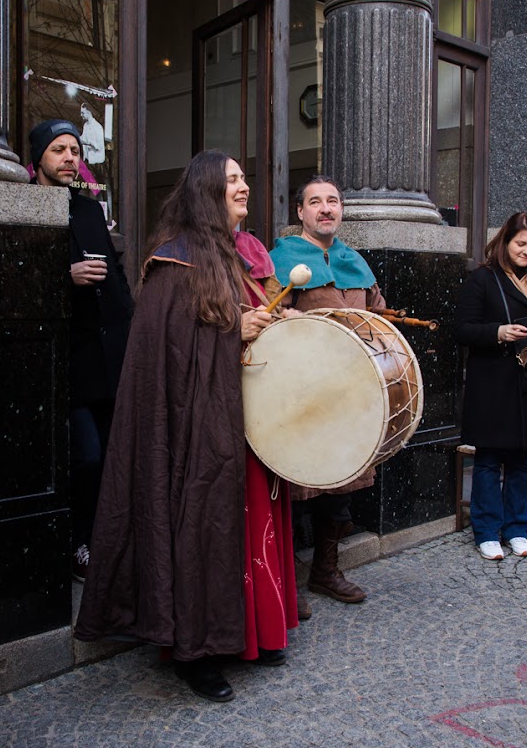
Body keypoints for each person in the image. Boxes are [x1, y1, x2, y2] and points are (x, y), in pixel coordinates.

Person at [75, 150, 298, 703]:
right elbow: (168, 357)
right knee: (201, 531)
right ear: (205, 192)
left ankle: (249, 634)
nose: (244, 187)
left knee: (239, 530)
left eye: (245, 178)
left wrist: (270, 324)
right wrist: (234, 331)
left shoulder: (234, 255)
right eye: (231, 182)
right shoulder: (175, 263)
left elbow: (235, 328)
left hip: (241, 422)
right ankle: (195, 653)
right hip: (192, 434)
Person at [269, 175, 385, 610]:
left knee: (342, 486)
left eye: (332, 201)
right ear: (300, 212)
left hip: (349, 395)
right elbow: (271, 319)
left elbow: (376, 316)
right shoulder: (279, 261)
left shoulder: (354, 261)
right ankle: (288, 582)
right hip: (300, 395)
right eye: (315, 201)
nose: (325, 208)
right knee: (299, 490)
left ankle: (326, 571)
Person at [29, 119, 133, 583]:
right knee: (86, 456)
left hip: (109, 357)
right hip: (68, 362)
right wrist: (62, 278)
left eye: (74, 150)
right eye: (58, 150)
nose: (70, 158)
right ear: (39, 159)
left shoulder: (90, 211)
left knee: (112, 455)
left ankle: (101, 542)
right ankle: (75, 542)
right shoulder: (28, 207)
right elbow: (19, 286)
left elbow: (115, 273)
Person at [456, 212, 527, 560]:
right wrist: (498, 332)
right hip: (493, 381)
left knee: (523, 461)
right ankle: (487, 531)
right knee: (488, 460)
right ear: (506, 242)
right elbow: (461, 329)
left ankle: (517, 528)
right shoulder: (483, 278)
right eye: (521, 244)